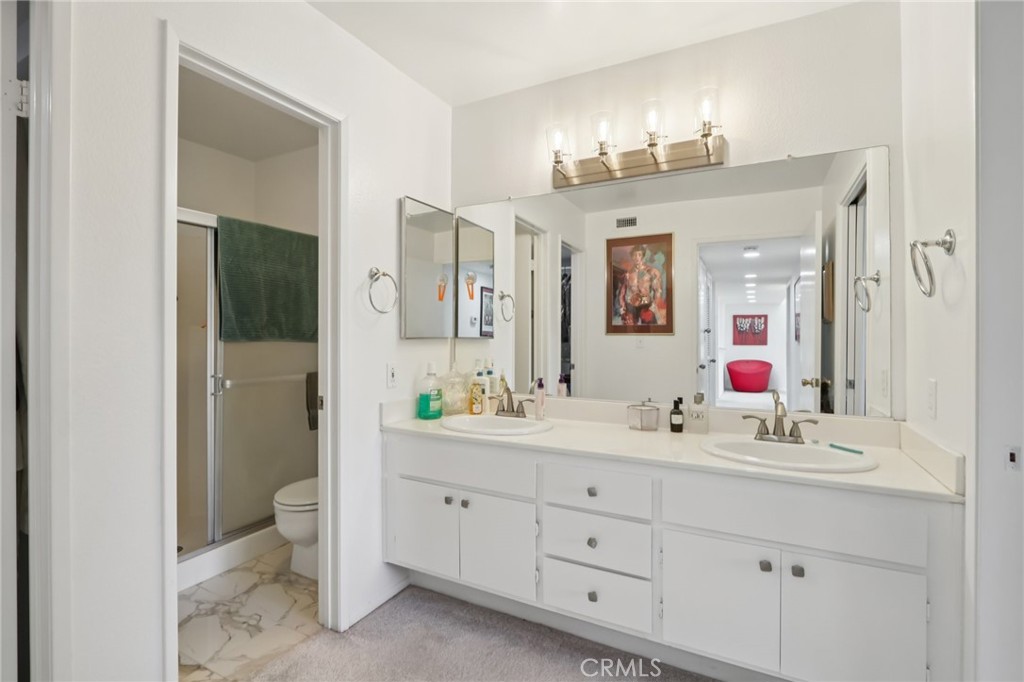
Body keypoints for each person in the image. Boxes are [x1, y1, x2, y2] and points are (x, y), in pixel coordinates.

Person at [617, 244, 664, 325]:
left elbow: (658, 291)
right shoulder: (627, 274)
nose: (637, 257)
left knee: (650, 331)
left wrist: (653, 307)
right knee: (629, 331)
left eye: (639, 254)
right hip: (631, 306)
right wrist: (623, 310)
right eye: (635, 255)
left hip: (647, 305)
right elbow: (622, 294)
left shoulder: (652, 272)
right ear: (632, 257)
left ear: (643, 256)